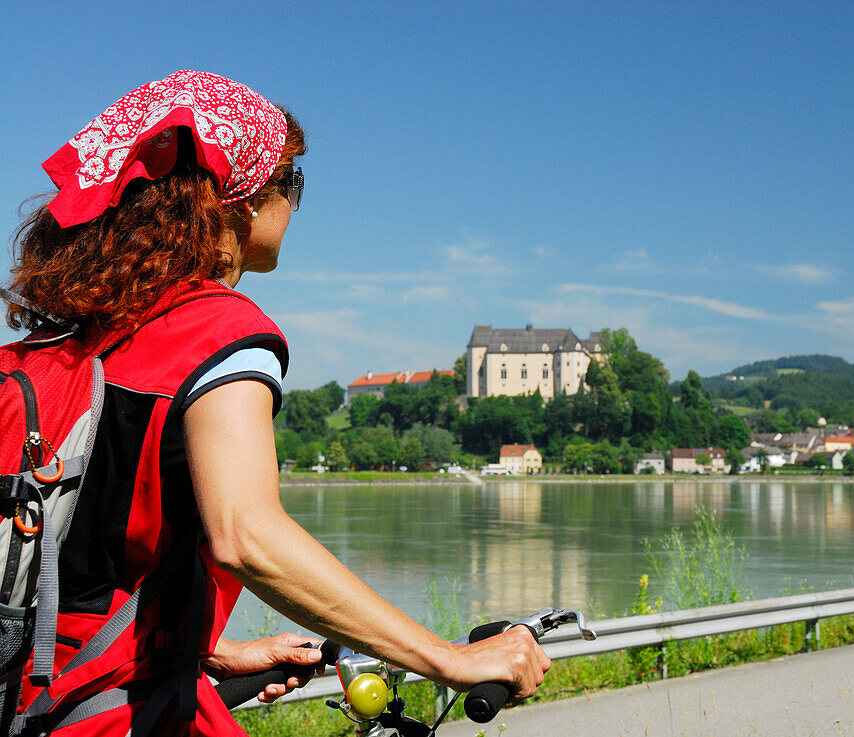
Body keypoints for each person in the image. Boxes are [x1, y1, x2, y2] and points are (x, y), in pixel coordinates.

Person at [5, 70, 549, 736]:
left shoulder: (63, 343)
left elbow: (80, 562)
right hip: (124, 719)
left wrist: (206, 647)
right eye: (291, 183)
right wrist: (450, 659)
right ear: (239, 197)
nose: (294, 204)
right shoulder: (215, 331)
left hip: (32, 702)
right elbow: (248, 536)